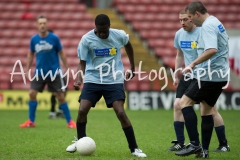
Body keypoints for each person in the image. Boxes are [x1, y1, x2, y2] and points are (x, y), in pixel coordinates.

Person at [65, 14, 147, 158]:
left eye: (105, 31)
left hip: (114, 79)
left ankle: (134, 149)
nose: (102, 34)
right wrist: (79, 80)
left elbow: (128, 44)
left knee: (121, 113)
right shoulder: (86, 39)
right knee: (82, 110)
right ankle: (80, 141)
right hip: (93, 78)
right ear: (95, 27)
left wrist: (132, 67)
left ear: (109, 27)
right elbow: (82, 63)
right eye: (99, 31)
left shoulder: (119, 35)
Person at [169, 10, 230, 154]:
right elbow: (179, 55)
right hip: (188, 74)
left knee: (209, 109)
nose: (182, 22)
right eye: (180, 20)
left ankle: (222, 143)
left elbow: (212, 49)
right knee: (178, 104)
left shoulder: (204, 31)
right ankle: (181, 142)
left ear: (192, 18)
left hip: (203, 75)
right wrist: (177, 72)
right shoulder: (179, 34)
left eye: (186, 19)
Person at [19, 15, 76, 129]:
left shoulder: (54, 38)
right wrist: (26, 69)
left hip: (54, 72)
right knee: (32, 93)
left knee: (60, 96)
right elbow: (30, 54)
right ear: (37, 25)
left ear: (47, 24)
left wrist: (67, 69)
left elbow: (62, 53)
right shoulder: (34, 39)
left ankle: (70, 121)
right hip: (39, 73)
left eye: (44, 23)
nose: (42, 25)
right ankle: (31, 121)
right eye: (40, 23)